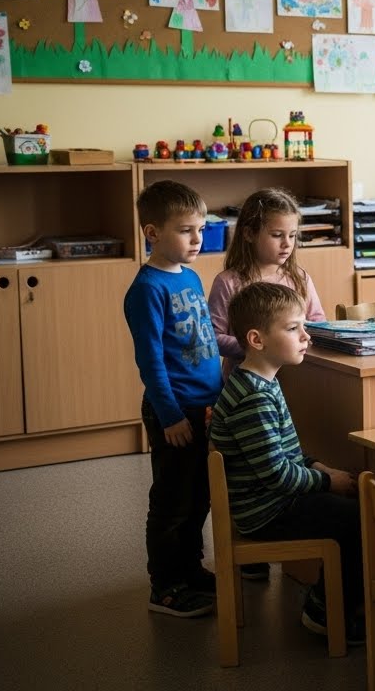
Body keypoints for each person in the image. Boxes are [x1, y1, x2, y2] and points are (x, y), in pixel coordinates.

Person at [208, 282, 365, 645]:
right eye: (294, 328)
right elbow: (278, 475)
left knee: (349, 500)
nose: (306, 336)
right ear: (257, 339)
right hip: (265, 511)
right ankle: (328, 610)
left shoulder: (261, 381)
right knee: (355, 521)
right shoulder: (253, 398)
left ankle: (332, 600)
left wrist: (320, 467)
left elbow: (284, 455)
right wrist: (328, 482)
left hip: (271, 499)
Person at [123, 180, 221, 618]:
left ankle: (190, 569)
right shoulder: (146, 290)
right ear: (152, 232)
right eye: (186, 230)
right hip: (175, 412)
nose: (197, 239)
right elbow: (151, 363)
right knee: (172, 501)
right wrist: (169, 417)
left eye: (200, 229)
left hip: (205, 407)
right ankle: (165, 586)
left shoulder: (193, 275)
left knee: (200, 496)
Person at [209, 188, 326, 380]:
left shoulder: (300, 278)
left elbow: (319, 324)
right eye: (277, 235)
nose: (287, 244)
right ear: (249, 234)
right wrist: (262, 349)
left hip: (299, 379)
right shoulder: (228, 282)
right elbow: (213, 338)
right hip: (245, 383)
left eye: (292, 235)